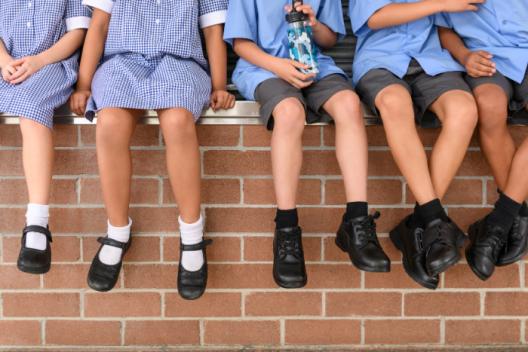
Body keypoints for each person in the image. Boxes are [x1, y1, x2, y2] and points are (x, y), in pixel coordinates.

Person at [69, 0, 234, 299]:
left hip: (180, 65)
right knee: (109, 125)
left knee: (178, 123)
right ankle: (117, 232)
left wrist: (220, 85)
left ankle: (192, 236)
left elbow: (212, 31)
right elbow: (99, 25)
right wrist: (83, 85)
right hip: (122, 63)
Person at [224, 0, 391, 289]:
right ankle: (286, 229)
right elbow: (240, 43)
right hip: (264, 67)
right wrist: (279, 66)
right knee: (289, 113)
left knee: (350, 104)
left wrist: (314, 24)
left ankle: (356, 221)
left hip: (314, 66)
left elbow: (330, 38)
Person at [348, 0, 481, 289]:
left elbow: (450, 21)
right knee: (395, 104)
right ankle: (434, 219)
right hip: (380, 60)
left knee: (464, 110)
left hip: (432, 59)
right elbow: (376, 18)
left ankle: (419, 225)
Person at [438, 0, 528, 281]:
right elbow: (440, 25)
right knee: (488, 107)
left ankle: (501, 222)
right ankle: (518, 216)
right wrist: (464, 56)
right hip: (485, 60)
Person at [0, 1, 91, 274]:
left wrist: (39, 60)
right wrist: (4, 62)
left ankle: (37, 222)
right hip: (6, 61)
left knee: (32, 107)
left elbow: (77, 32)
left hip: (50, 63)